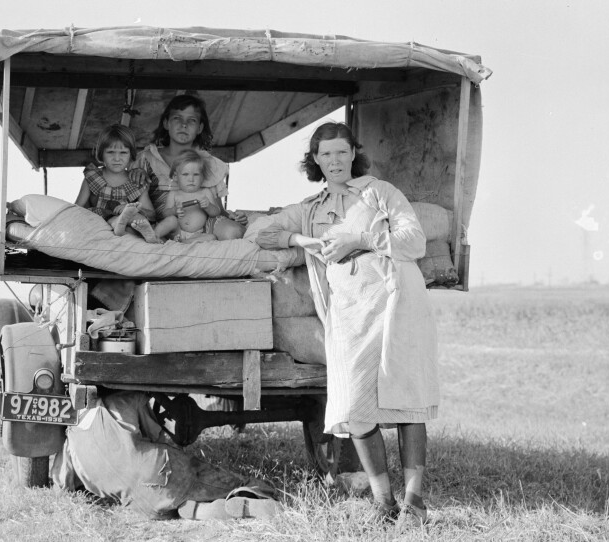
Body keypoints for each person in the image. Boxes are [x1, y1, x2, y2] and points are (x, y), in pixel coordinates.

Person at [255, 122, 438, 527]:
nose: (334, 161)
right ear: (315, 160)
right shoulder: (311, 208)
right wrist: (302, 242)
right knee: (355, 405)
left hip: (396, 301)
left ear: (353, 152)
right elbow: (263, 232)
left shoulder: (380, 192)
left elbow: (414, 240)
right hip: (349, 312)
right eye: (325, 154)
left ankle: (414, 502)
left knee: (406, 397)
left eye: (341, 152)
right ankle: (383, 502)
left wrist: (361, 240)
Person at [51, 390, 283, 521]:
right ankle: (264, 497)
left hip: (139, 506)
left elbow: (62, 484)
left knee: (178, 503)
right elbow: (158, 438)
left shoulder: (71, 442)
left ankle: (200, 510)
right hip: (159, 471)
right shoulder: (122, 400)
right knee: (236, 483)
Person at [131, 94, 246, 240]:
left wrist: (234, 217)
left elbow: (218, 211)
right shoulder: (148, 159)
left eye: (191, 120)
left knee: (234, 232)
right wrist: (135, 173)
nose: (183, 125)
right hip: (167, 226)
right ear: (166, 123)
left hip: (204, 226)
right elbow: (132, 199)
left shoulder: (209, 164)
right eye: (177, 118)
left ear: (200, 127)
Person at [75, 124, 159, 243]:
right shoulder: (92, 178)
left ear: (131, 154)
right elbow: (77, 207)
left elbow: (152, 215)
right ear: (101, 153)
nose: (117, 158)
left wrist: (132, 209)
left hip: (128, 229)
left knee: (136, 219)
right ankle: (118, 223)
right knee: (113, 219)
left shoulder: (136, 182)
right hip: (100, 227)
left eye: (123, 152)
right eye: (110, 152)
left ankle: (149, 235)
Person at [152, 150, 221, 243]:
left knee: (212, 237)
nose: (191, 179)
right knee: (171, 220)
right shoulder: (174, 194)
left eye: (196, 174)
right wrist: (173, 210)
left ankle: (185, 242)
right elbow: (165, 213)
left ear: (202, 177)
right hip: (177, 232)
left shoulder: (205, 192)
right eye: (185, 174)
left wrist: (208, 206)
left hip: (197, 234)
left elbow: (216, 212)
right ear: (176, 177)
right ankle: (154, 236)